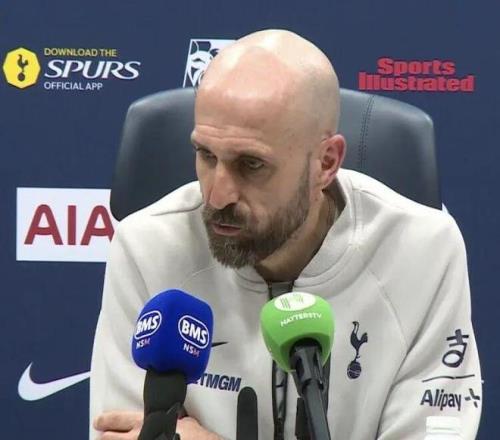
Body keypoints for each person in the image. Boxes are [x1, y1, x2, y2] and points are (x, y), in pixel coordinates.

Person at [90, 29, 482, 439]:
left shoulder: (425, 252)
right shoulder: (146, 248)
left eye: (251, 165)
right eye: (206, 155)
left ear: (326, 163)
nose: (217, 195)